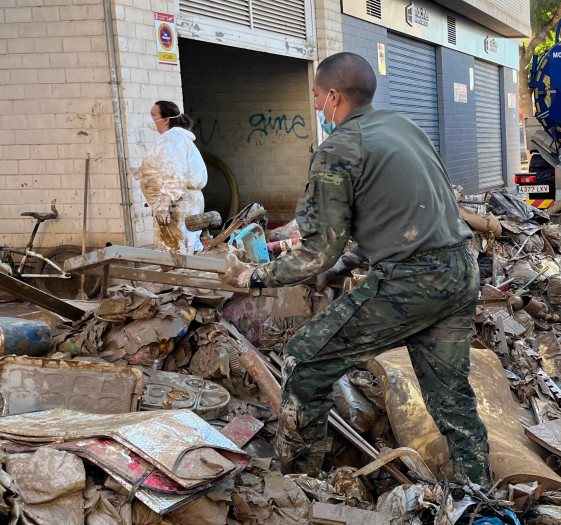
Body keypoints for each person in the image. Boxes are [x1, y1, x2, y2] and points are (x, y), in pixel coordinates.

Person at [220, 53, 490, 484]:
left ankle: (298, 483)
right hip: (460, 271)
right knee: (450, 398)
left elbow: (315, 252)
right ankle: (479, 492)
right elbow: (403, 213)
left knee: (303, 360)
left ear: (332, 96)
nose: (314, 106)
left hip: (411, 283)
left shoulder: (338, 150)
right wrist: (351, 259)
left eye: (314, 96)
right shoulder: (405, 128)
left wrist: (253, 276)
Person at [139, 101, 207, 254]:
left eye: (153, 115)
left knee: (177, 251)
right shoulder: (176, 138)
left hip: (177, 205)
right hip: (182, 202)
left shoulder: (170, 140)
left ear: (165, 119)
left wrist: (164, 204)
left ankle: (180, 276)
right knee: (187, 246)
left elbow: (174, 173)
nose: (150, 119)